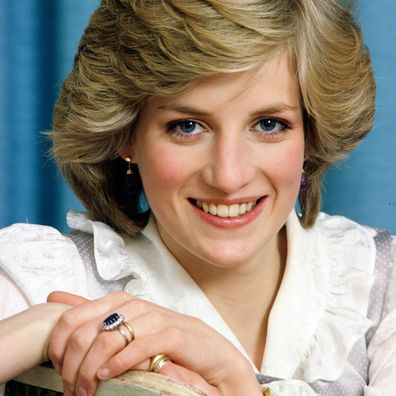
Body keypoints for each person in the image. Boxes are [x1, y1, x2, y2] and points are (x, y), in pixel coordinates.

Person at [0, 0, 395, 395]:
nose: (228, 176)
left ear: (312, 135)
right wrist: (46, 324)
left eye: (269, 124)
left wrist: (239, 381)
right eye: (187, 126)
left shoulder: (380, 284)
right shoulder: (44, 280)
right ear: (126, 137)